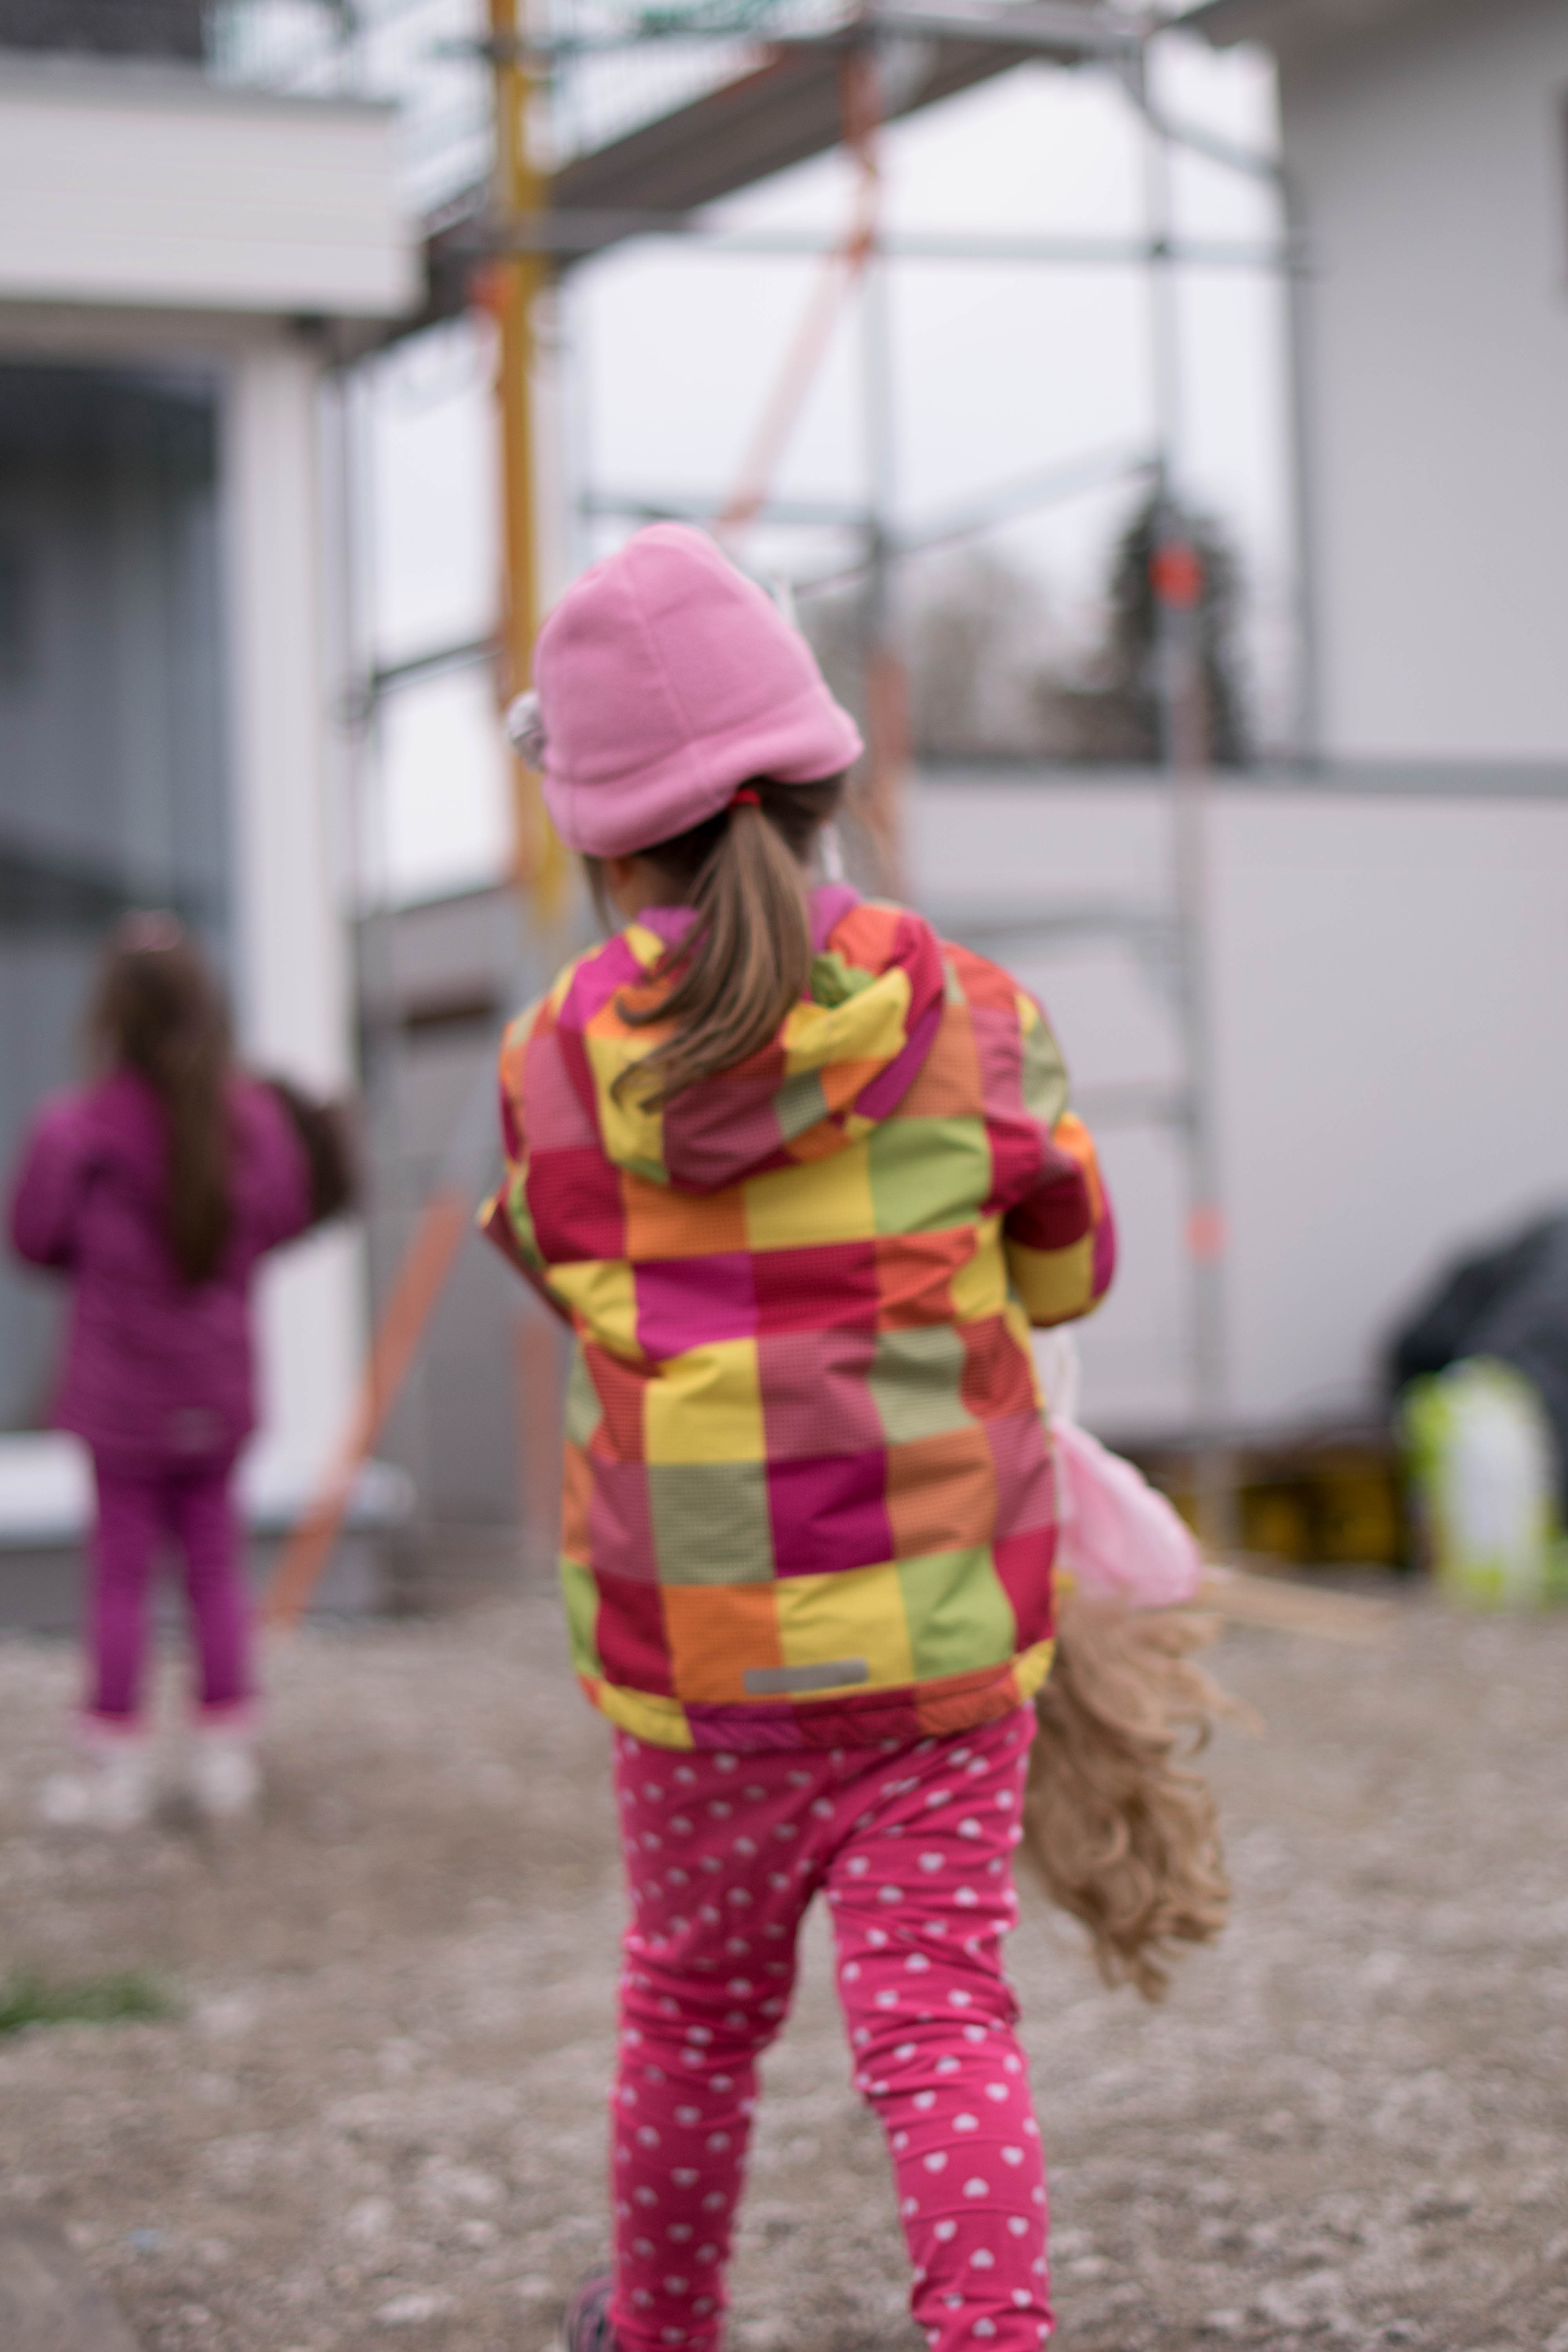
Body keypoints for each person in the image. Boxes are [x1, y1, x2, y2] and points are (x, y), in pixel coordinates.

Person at [482, 524, 1135, 2352]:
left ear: (607, 843)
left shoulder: (554, 1058)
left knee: (690, 2011)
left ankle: (660, 2328)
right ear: (827, 783)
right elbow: (1067, 1272)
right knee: (937, 2016)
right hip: (940, 1637)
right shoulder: (978, 1016)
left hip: (696, 1652)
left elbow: (562, 1268)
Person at [7, 915, 325, 1828]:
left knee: (119, 1576)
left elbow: (32, 1237)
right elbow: (285, 1215)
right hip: (217, 1388)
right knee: (216, 1568)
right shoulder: (251, 1121)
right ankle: (226, 1762)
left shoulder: (76, 1128)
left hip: (119, 1398)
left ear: (111, 1013)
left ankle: (114, 1771)